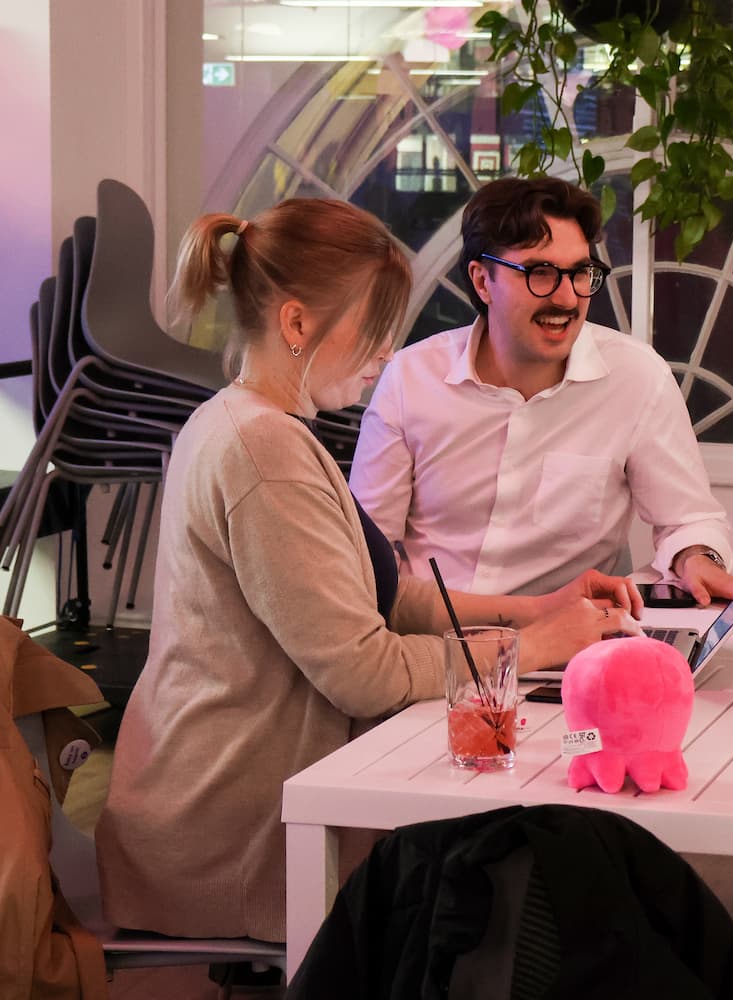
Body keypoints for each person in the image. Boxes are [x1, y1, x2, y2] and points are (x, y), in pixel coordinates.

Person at [96, 199, 641, 944]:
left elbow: (380, 596)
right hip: (235, 832)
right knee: (525, 859)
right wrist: (540, 648)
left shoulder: (251, 423)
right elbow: (362, 669)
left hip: (217, 799)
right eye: (374, 333)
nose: (386, 356)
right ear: (296, 325)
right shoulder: (267, 453)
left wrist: (539, 610)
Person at [350, 177, 733, 611]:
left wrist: (697, 557)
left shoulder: (636, 377)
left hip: (574, 645)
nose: (567, 298)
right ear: (483, 281)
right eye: (540, 273)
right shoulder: (410, 380)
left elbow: (688, 519)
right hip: (438, 642)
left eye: (580, 272)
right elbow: (367, 545)